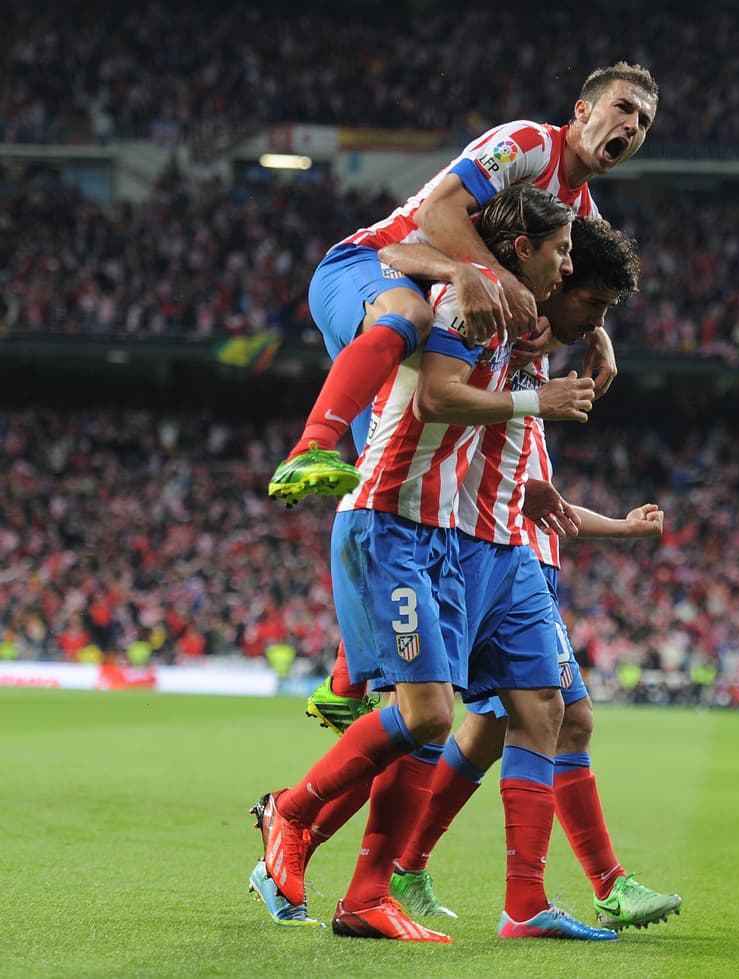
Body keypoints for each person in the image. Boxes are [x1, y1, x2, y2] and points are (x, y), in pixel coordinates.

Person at [251, 184, 607, 942]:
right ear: (522, 251)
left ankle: (365, 894)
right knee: (429, 714)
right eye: (563, 251)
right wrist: (534, 402)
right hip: (391, 521)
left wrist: (533, 480)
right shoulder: (465, 305)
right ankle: (293, 811)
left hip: (444, 535)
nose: (568, 264)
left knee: (430, 724)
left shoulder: (516, 329)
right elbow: (438, 396)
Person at [382, 218, 682, 932]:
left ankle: (417, 865)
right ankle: (331, 832)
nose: (596, 322)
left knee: (511, 720)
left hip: (517, 550)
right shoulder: (500, 331)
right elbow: (398, 259)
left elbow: (535, 481)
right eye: (593, 303)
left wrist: (613, 524)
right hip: (486, 548)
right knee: (521, 717)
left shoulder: (531, 351)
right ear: (551, 278)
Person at [266, 62, 659, 506]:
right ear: (583, 111)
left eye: (643, 122)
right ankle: (308, 448)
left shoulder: (582, 216)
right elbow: (436, 213)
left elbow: (574, 299)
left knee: (377, 486)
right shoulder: (529, 144)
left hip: (404, 327)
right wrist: (492, 277)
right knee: (410, 316)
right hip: (369, 264)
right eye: (623, 107)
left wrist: (598, 334)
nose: (632, 125)